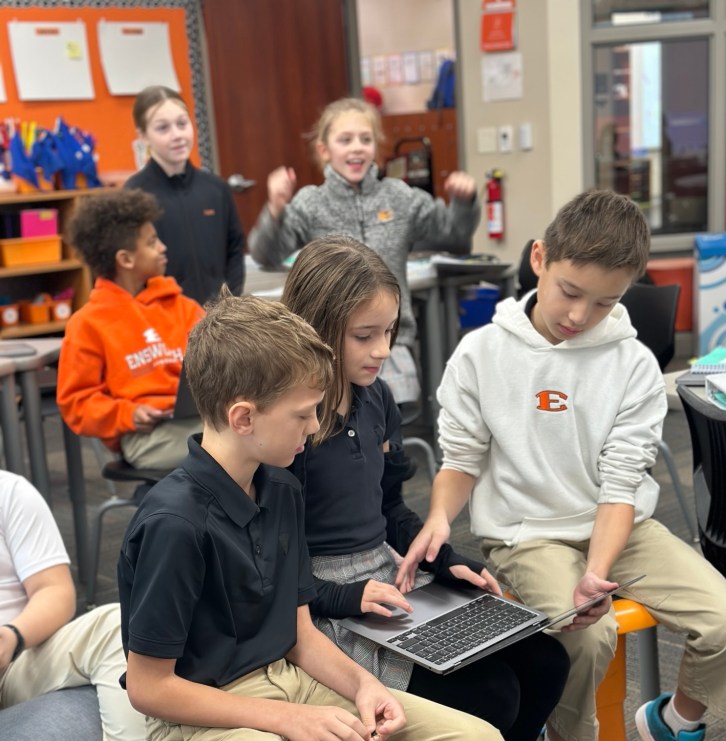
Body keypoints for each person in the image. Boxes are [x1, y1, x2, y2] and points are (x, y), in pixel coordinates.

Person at [117, 292, 507, 741]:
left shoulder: (281, 488)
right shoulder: (172, 523)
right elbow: (149, 690)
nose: (315, 426)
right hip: (196, 724)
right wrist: (288, 720)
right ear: (243, 417)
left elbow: (297, 633)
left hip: (283, 684)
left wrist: (361, 687)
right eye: (303, 415)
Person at [398, 189, 726, 741]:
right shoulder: (482, 354)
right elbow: (460, 458)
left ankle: (679, 725)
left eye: (603, 302)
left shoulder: (632, 364)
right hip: (526, 534)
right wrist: (440, 517)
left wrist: (597, 570)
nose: (579, 315)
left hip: (621, 527)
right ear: (539, 258)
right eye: (570, 292)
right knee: (588, 636)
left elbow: (621, 487)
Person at [281, 235, 569, 741]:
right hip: (318, 610)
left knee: (546, 661)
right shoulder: (288, 421)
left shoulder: (375, 399)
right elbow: (272, 566)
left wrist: (443, 556)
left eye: (389, 333)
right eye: (365, 336)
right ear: (318, 330)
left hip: (386, 580)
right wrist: (347, 595)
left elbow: (390, 510)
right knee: (492, 693)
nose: (382, 351)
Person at [0, 469, 228, 741]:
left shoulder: (9, 492)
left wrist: (11, 637)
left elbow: (55, 592)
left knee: (114, 623)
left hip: (14, 657)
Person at [249, 96, 480, 406]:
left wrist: (464, 203)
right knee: (334, 426)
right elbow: (266, 254)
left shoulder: (399, 197)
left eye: (365, 139)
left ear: (376, 147)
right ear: (324, 150)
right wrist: (275, 211)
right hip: (329, 348)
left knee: (386, 425)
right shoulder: (310, 203)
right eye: (345, 140)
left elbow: (456, 237)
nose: (356, 147)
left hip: (390, 345)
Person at [57, 188, 205, 472]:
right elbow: (77, 404)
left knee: (260, 433)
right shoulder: (87, 324)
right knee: (233, 446)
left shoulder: (184, 307)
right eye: (152, 242)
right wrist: (130, 414)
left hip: (203, 418)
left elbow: (221, 360)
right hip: (144, 434)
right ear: (125, 259)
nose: (162, 247)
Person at [125, 85, 245, 305]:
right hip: (162, 315)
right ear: (143, 136)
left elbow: (235, 250)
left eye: (182, 124)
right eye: (163, 128)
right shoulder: (134, 196)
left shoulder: (216, 189)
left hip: (218, 317)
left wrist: (229, 305)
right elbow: (132, 269)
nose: (177, 135)